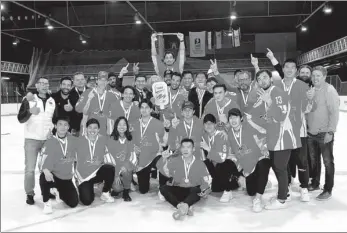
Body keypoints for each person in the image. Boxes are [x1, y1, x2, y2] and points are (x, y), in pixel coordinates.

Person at [17, 77, 57, 205]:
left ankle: (48, 189)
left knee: (48, 168)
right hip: (32, 140)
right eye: (42, 83)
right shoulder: (29, 99)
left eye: (46, 83)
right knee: (30, 169)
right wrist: (29, 111)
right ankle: (30, 193)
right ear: (37, 86)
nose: (45, 86)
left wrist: (53, 133)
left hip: (47, 140)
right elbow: (20, 119)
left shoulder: (52, 101)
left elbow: (54, 120)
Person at [255, 69, 291, 210]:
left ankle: (281, 200)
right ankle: (284, 193)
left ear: (271, 78)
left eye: (265, 77)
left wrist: (269, 102)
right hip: (273, 136)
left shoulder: (276, 92)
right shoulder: (267, 93)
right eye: (259, 79)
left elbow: (281, 115)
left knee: (280, 167)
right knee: (278, 167)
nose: (262, 81)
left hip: (282, 136)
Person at [227, 108, 271, 212]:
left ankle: (258, 199)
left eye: (236, 117)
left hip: (259, 159)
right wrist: (242, 170)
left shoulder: (249, 127)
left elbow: (264, 133)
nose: (233, 120)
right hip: (247, 168)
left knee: (264, 164)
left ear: (241, 118)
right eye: (231, 118)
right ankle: (261, 181)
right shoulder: (229, 134)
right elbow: (232, 154)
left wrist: (263, 148)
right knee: (251, 191)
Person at [307, 66, 340, 200]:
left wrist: (331, 131)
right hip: (311, 132)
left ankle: (328, 188)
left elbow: (334, 112)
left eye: (318, 75)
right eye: (313, 75)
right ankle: (315, 183)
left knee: (327, 162)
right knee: (314, 161)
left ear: (324, 77)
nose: (315, 78)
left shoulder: (329, 90)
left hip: (324, 132)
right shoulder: (311, 89)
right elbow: (308, 109)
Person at [160, 138, 211, 220]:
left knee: (196, 190)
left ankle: (184, 205)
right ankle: (182, 206)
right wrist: (164, 159)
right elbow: (166, 172)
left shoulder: (200, 163)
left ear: (193, 149)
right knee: (163, 188)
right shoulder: (175, 160)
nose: (185, 149)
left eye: (188, 147)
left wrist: (205, 190)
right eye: (183, 147)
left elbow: (207, 179)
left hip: (192, 191)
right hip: (180, 189)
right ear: (180, 149)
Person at [38, 116, 79, 214]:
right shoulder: (50, 142)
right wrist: (46, 170)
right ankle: (47, 202)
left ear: (68, 127)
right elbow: (41, 162)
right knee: (44, 176)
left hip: (66, 179)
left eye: (65, 125)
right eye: (60, 124)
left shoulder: (73, 140)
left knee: (73, 203)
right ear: (55, 126)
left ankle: (56, 191)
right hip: (54, 177)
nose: (63, 127)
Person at [131, 100, 169, 194]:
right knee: (143, 190)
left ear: (151, 109)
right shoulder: (134, 124)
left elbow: (165, 142)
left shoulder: (158, 123)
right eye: (142, 107)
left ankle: (162, 188)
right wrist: (133, 148)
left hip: (154, 155)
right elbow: (129, 141)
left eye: (147, 107)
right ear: (139, 109)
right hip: (141, 158)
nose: (144, 110)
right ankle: (137, 177)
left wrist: (167, 130)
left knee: (163, 162)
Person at [75, 118, 115, 205]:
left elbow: (114, 143)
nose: (92, 130)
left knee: (110, 168)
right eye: (90, 127)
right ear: (86, 129)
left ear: (99, 129)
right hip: (84, 176)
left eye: (95, 128)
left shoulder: (103, 139)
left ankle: (105, 192)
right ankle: (83, 187)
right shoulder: (78, 141)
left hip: (97, 171)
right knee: (87, 201)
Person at [201, 114, 239, 203]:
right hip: (215, 166)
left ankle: (228, 190)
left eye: (211, 123)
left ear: (215, 124)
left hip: (228, 165)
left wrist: (208, 149)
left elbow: (222, 158)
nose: (208, 126)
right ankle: (234, 184)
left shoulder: (221, 135)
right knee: (216, 189)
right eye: (206, 123)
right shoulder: (204, 136)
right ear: (203, 126)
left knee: (223, 164)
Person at [75, 71, 119, 136]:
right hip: (89, 129)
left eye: (105, 80)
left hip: (104, 130)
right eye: (100, 80)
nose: (102, 83)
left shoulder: (112, 96)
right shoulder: (87, 93)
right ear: (97, 81)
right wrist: (88, 100)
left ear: (107, 82)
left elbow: (116, 113)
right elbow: (78, 109)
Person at [105, 116, 138, 202]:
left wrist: (126, 166)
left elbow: (132, 156)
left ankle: (126, 192)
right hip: (115, 167)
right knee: (117, 189)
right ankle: (125, 182)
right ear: (116, 126)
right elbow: (109, 159)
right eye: (119, 124)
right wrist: (116, 174)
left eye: (124, 124)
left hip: (125, 167)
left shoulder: (130, 139)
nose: (122, 127)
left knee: (126, 170)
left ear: (127, 126)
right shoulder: (111, 139)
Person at [69, 72, 87, 137]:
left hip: (89, 127)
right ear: (73, 82)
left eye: (82, 79)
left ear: (85, 80)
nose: (80, 81)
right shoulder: (69, 94)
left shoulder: (92, 92)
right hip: (75, 128)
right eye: (77, 80)